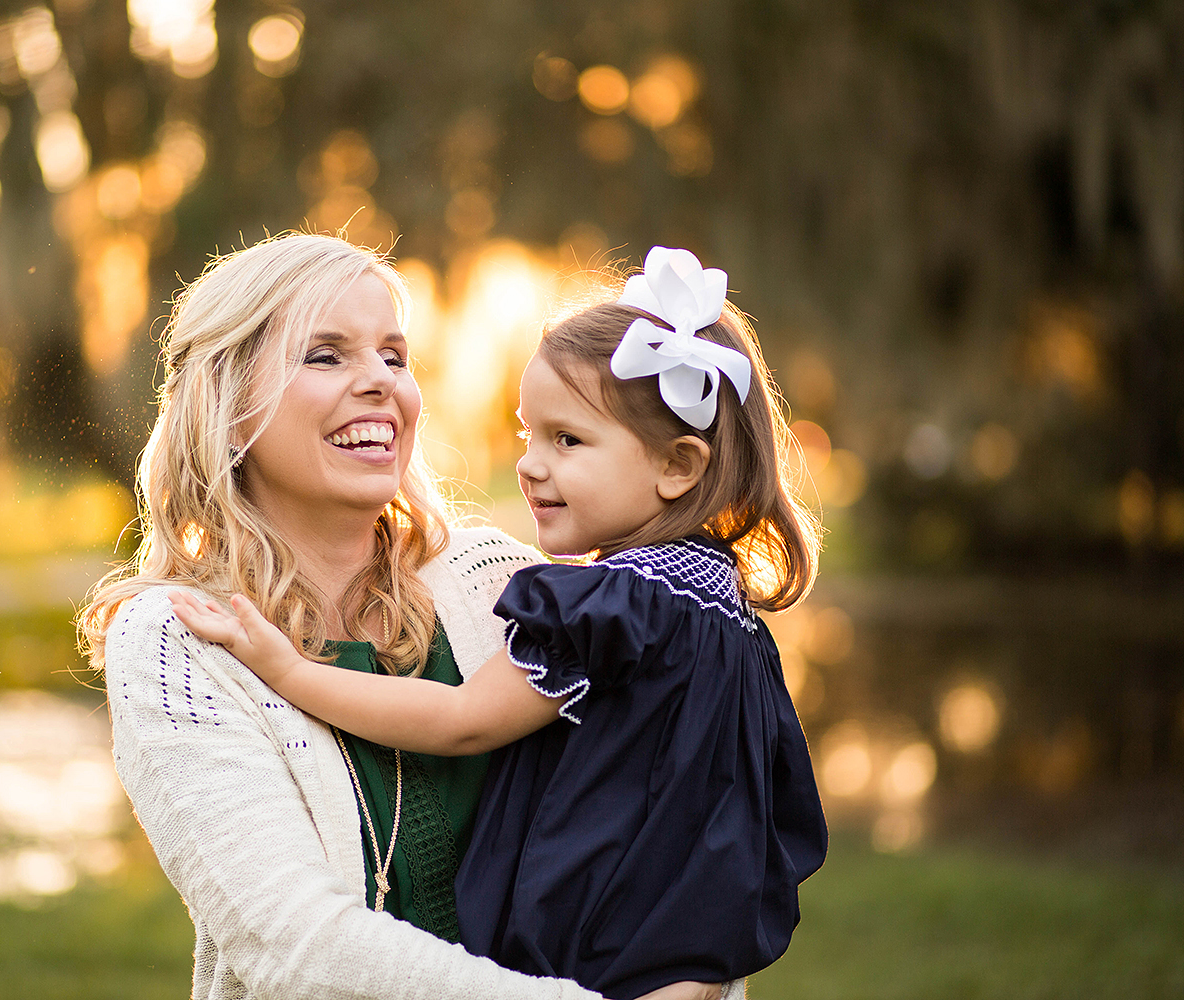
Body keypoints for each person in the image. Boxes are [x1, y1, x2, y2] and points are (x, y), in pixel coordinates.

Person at [173, 246, 829, 1000]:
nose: (529, 466)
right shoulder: (724, 610)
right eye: (528, 435)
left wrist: (292, 673)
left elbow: (461, 717)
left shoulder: (607, 608)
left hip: (593, 947)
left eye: (567, 440)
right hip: (660, 950)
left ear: (678, 467)